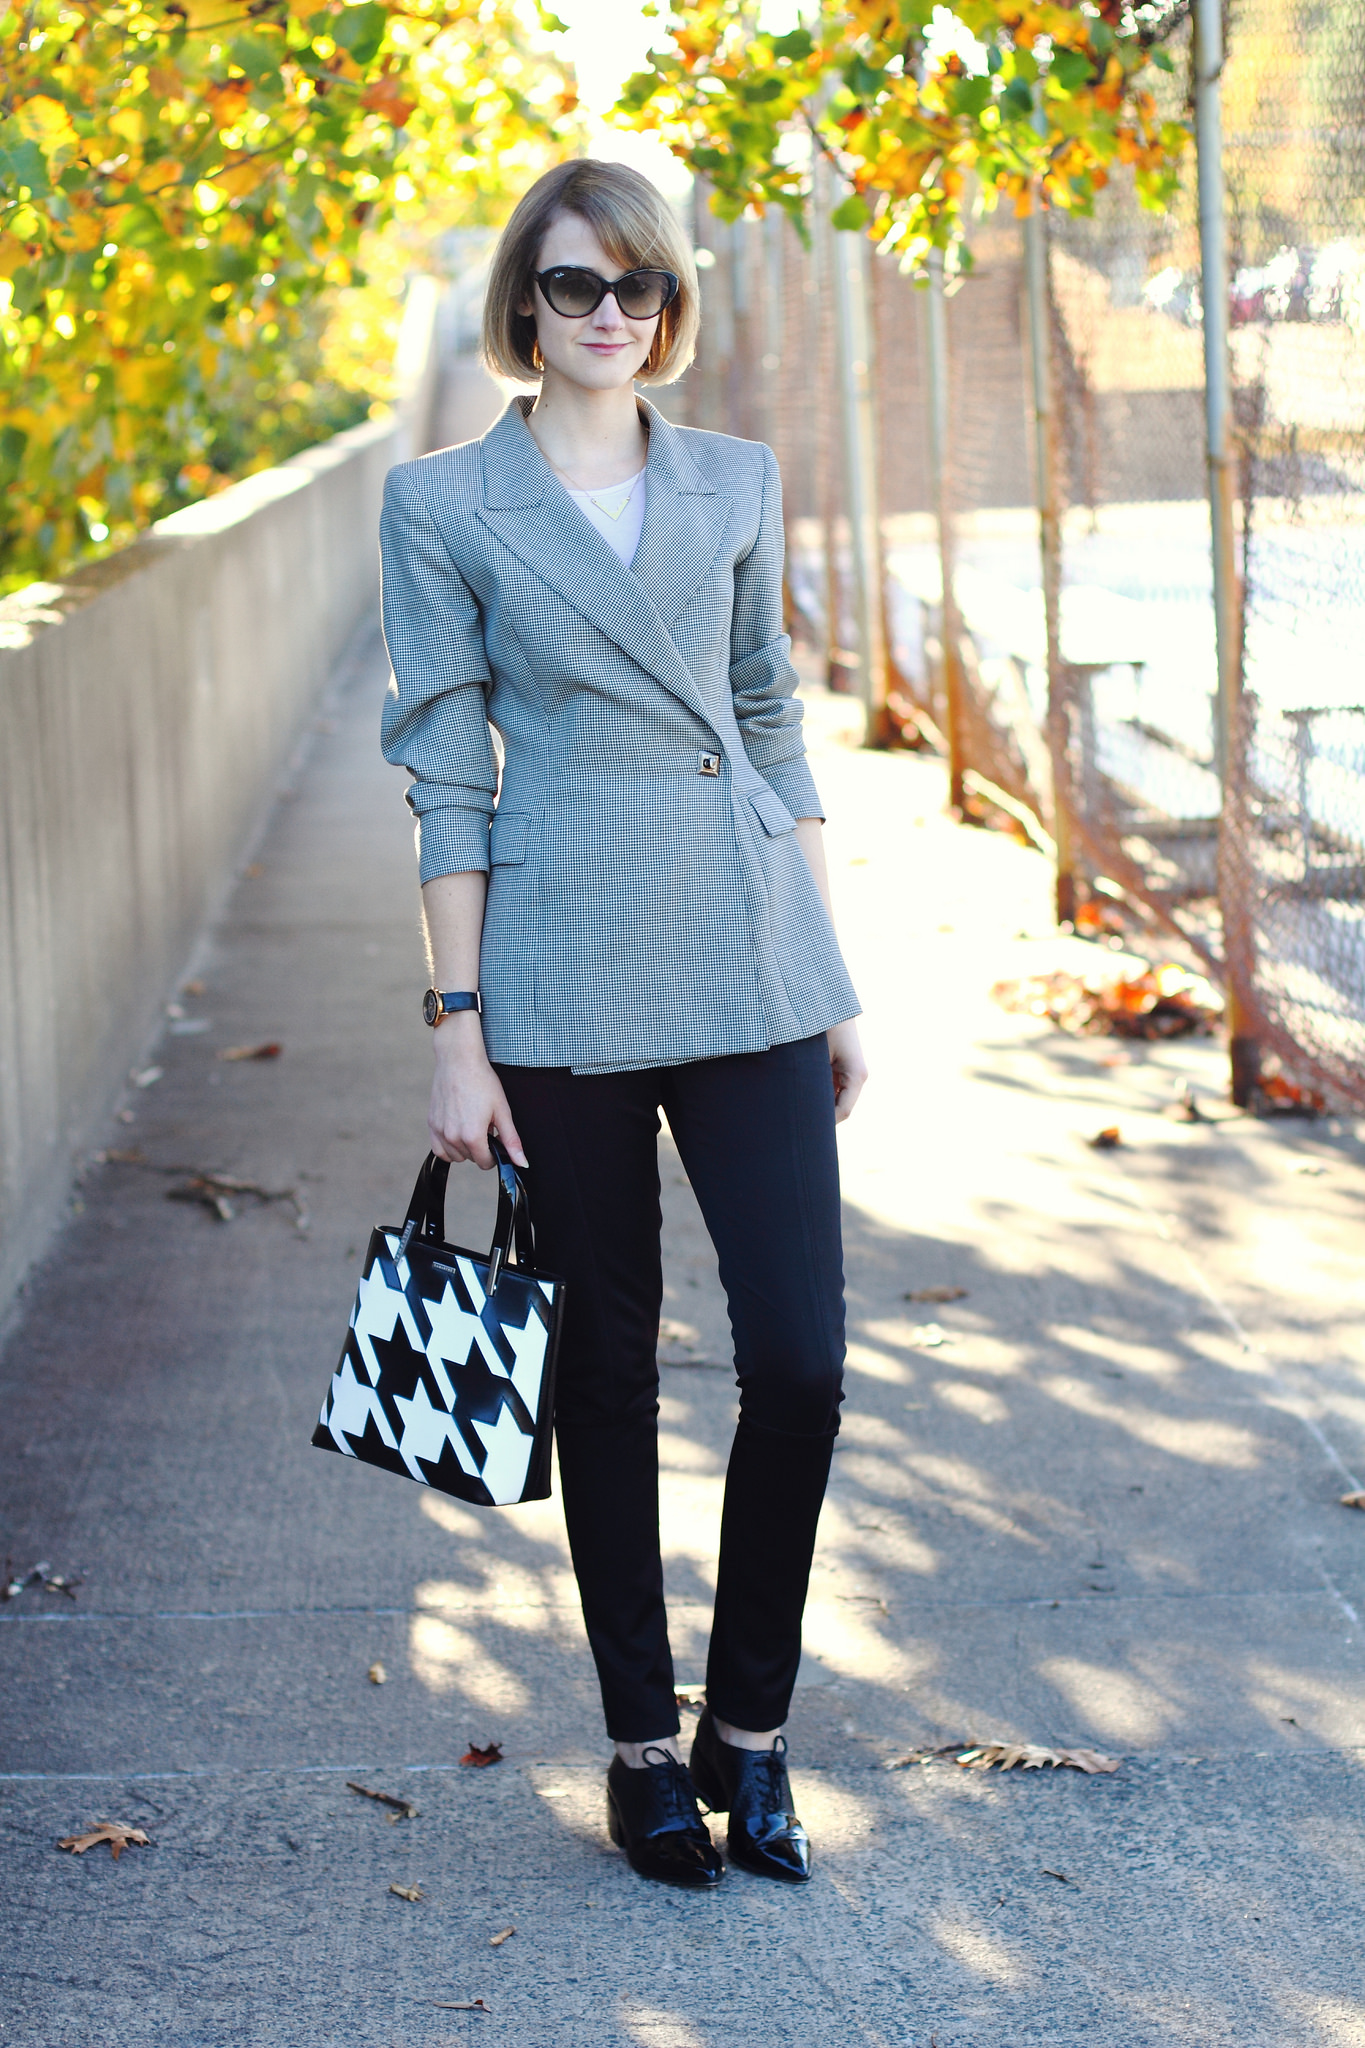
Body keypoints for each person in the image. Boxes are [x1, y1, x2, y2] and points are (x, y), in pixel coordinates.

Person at [379, 158, 866, 1889]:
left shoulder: (734, 476)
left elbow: (765, 712)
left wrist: (827, 967)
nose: (611, 319)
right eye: (578, 289)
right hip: (564, 970)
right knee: (602, 1370)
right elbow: (445, 773)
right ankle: (645, 1748)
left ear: (670, 307)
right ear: (526, 302)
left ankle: (754, 1733)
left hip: (745, 955)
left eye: (640, 292)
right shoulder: (444, 506)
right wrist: (455, 1025)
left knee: (800, 1362)